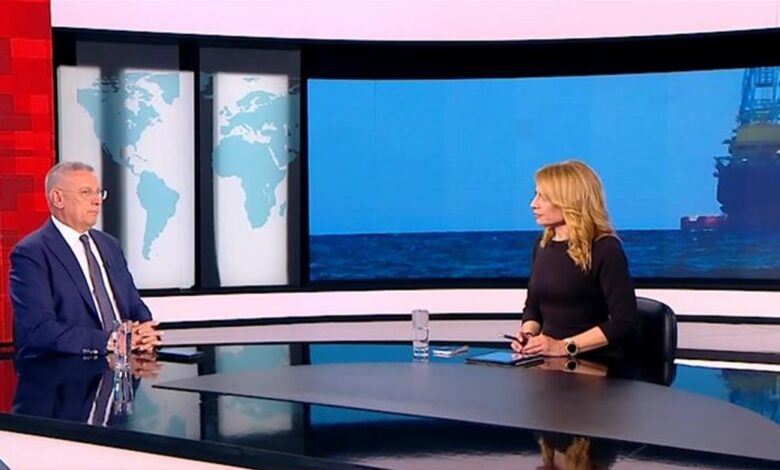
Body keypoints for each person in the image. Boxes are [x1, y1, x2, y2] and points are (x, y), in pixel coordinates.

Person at [10, 161, 163, 358]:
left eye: (99, 193)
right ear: (58, 198)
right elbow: (39, 329)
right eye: (86, 192)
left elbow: (134, 305)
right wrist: (109, 341)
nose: (97, 200)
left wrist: (144, 331)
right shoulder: (31, 253)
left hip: (125, 364)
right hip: (68, 369)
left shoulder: (109, 245)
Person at [512, 160, 637, 357]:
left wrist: (564, 346)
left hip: (596, 363)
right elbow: (533, 307)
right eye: (536, 194)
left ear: (569, 200)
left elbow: (623, 322)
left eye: (543, 197)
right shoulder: (543, 245)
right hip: (550, 360)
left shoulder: (605, 248)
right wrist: (528, 335)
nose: (533, 204)